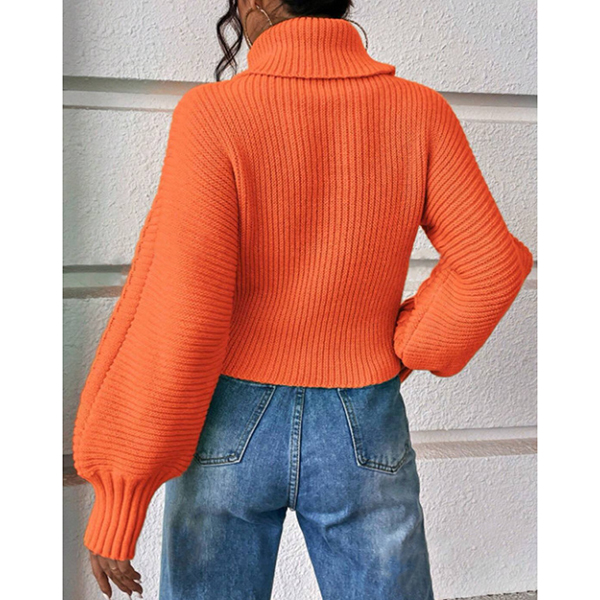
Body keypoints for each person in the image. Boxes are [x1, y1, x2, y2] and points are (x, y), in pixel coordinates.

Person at [71, 1, 534, 599]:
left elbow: (180, 309)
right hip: (362, 416)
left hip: (227, 420)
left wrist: (120, 497)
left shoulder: (213, 115)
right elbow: (491, 264)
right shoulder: (419, 111)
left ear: (257, 2)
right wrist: (406, 347)